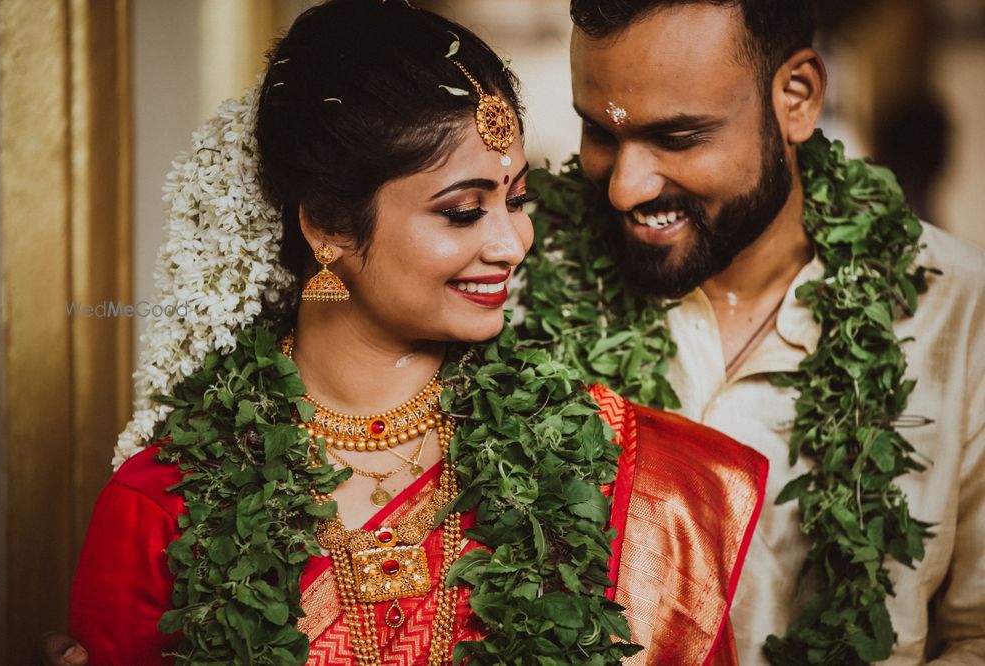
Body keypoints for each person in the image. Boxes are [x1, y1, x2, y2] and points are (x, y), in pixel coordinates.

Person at [62, 1, 766, 665]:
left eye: (516, 200)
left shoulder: (605, 460)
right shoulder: (165, 506)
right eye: (463, 212)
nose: (511, 242)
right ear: (329, 226)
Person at [519, 0, 985, 664]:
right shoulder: (518, 284)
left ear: (797, 97)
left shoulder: (960, 310)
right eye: (600, 132)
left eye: (677, 138)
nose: (626, 188)